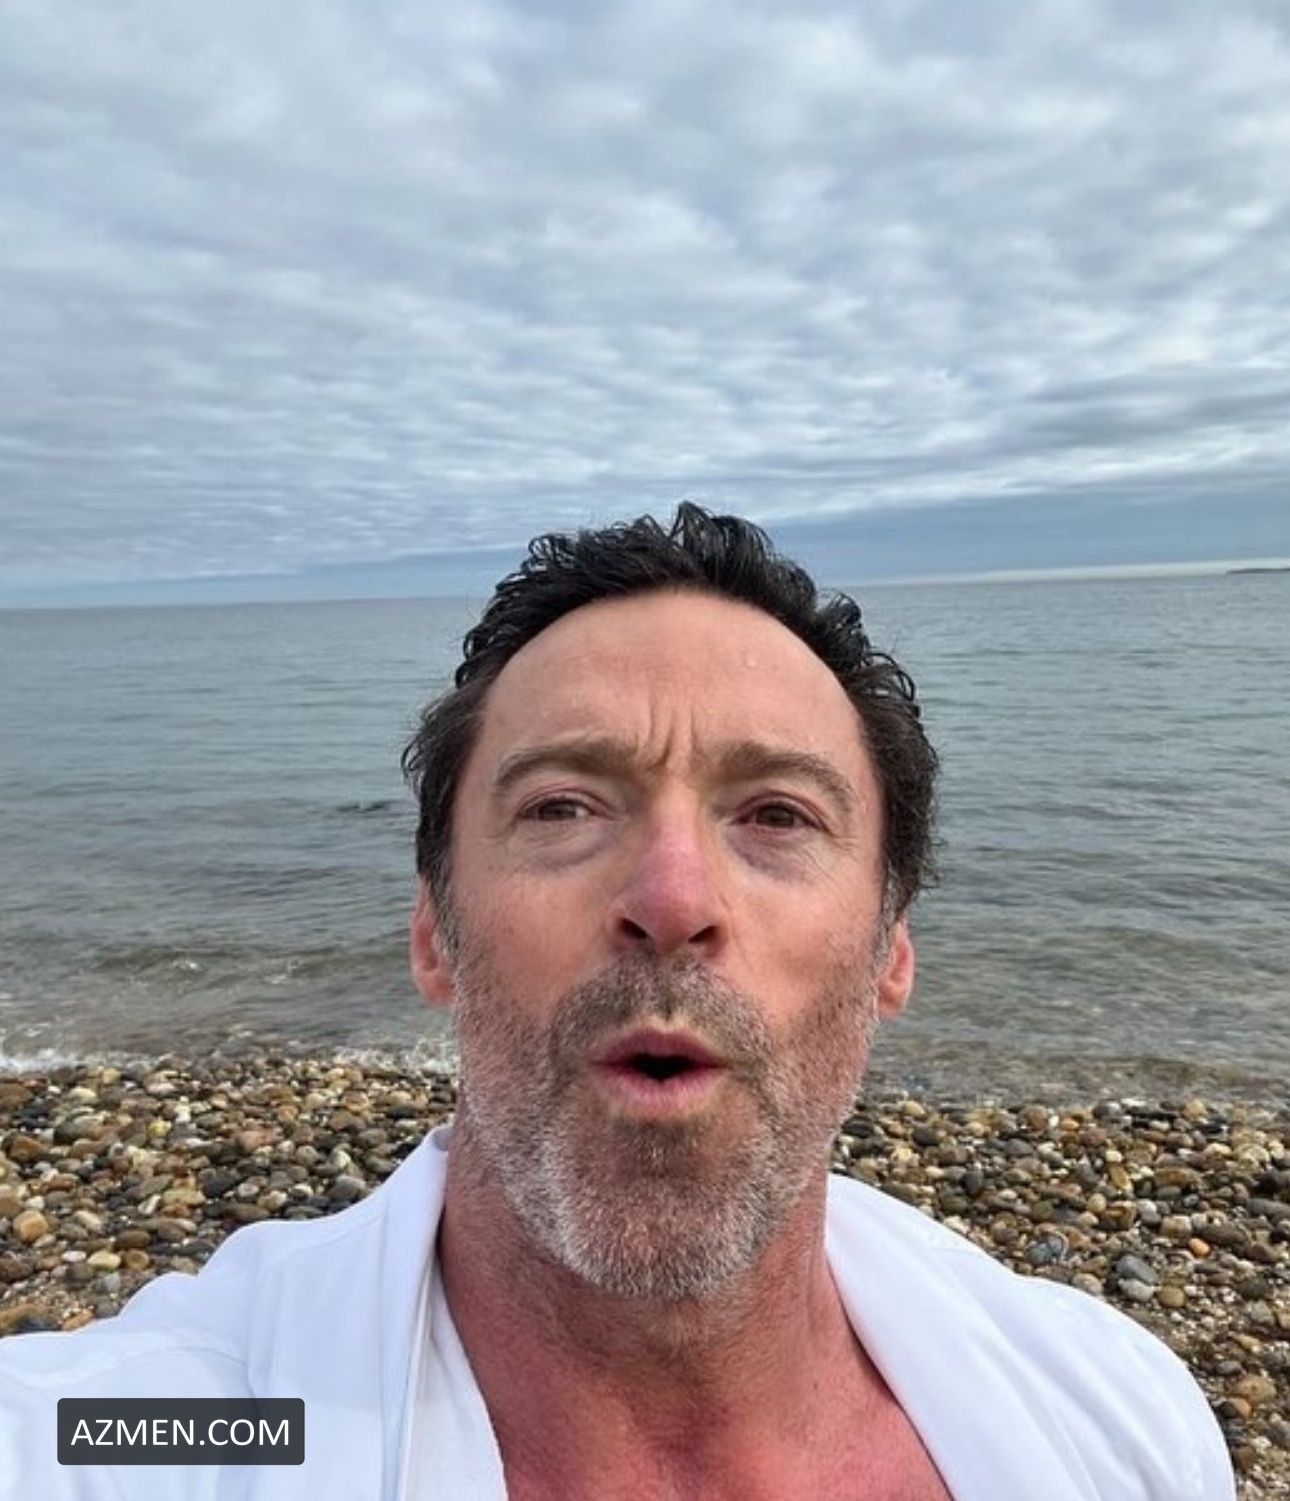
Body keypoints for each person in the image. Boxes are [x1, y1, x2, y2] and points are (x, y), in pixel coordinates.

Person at [0, 504, 1234, 1499]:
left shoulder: (1113, 1423)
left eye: (777, 815)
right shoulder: (173, 1426)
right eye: (562, 806)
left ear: (889, 954)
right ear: (434, 935)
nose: (672, 897)